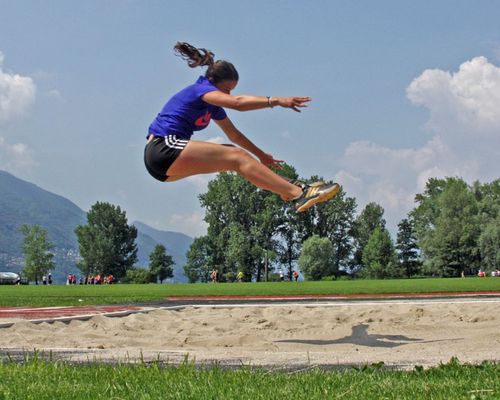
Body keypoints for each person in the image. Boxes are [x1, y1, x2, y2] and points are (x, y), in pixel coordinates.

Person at [144, 42, 340, 212]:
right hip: (162, 148)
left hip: (164, 171)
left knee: (235, 159)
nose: (228, 95)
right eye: (227, 90)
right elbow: (238, 103)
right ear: (214, 83)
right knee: (237, 156)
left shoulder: (213, 106)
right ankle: (300, 193)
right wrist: (277, 100)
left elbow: (234, 135)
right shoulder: (200, 89)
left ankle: (290, 188)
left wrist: (261, 156)